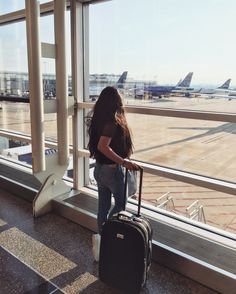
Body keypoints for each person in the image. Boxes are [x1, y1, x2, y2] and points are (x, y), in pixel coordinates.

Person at [87, 86, 139, 261]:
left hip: (99, 169)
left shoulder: (97, 119)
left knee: (103, 206)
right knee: (121, 204)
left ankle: (102, 240)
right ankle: (109, 236)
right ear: (116, 102)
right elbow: (103, 146)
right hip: (111, 170)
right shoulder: (111, 122)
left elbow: (98, 146)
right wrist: (124, 162)